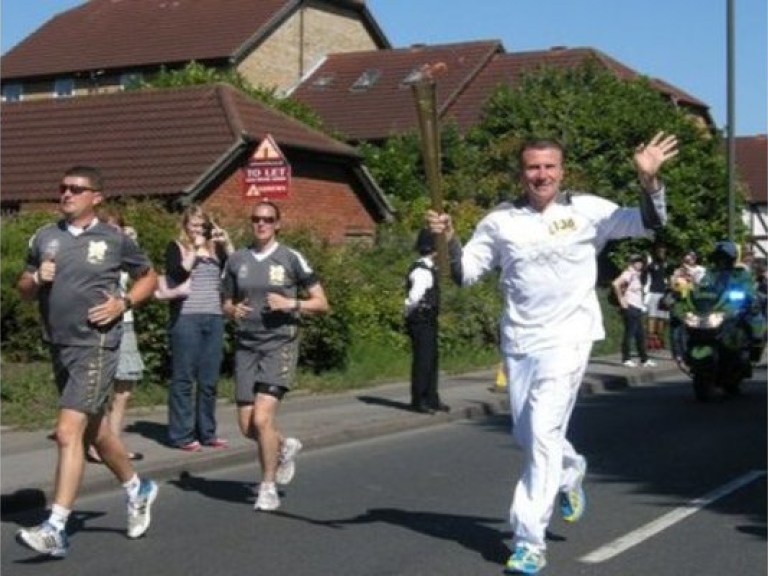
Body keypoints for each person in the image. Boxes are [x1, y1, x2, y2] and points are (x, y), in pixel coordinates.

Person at [427, 132, 679, 574]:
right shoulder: (500, 221)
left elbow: (651, 224)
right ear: (521, 172)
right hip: (521, 341)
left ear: (562, 171)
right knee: (529, 437)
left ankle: (529, 541)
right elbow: (463, 274)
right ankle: (569, 470)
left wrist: (649, 182)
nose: (541, 175)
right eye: (532, 167)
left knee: (541, 432)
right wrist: (447, 238)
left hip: (570, 337)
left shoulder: (588, 210)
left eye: (549, 167)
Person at [15, 166, 160, 558]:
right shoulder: (45, 236)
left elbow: (149, 277)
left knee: (67, 432)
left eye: (76, 189)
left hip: (97, 345)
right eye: (62, 188)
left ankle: (56, 527)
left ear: (96, 196)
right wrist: (36, 279)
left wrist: (124, 302)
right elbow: (24, 288)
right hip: (60, 345)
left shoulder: (113, 239)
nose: (66, 194)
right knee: (96, 434)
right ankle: (138, 488)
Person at [222, 200, 329, 511]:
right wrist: (232, 309)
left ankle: (267, 485)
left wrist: (290, 304)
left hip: (279, 343)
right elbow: (226, 301)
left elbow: (321, 302)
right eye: (256, 219)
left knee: (262, 417)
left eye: (268, 219)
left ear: (278, 224)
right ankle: (283, 446)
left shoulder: (290, 257)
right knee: (246, 427)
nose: (261, 224)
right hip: (246, 345)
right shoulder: (237, 260)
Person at [165, 204, 234, 451]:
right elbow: (176, 274)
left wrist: (226, 243)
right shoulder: (177, 247)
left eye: (202, 225)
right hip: (186, 317)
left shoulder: (216, 248)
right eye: (193, 224)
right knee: (184, 378)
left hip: (213, 317)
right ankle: (181, 435)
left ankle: (207, 432)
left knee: (209, 379)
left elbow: (235, 269)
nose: (198, 229)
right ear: (185, 226)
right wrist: (194, 249)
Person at [86, 208, 145, 463]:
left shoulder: (124, 252)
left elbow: (143, 275)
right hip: (101, 325)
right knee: (100, 387)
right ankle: (96, 443)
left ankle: (113, 443)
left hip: (125, 321)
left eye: (118, 228)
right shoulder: (93, 252)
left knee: (125, 388)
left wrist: (131, 242)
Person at [404, 228, 449, 414]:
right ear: (434, 249)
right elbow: (414, 298)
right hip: (421, 318)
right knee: (423, 360)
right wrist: (408, 312)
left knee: (431, 359)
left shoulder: (427, 268)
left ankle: (431, 398)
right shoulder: (422, 271)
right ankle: (419, 399)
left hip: (427, 319)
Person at [613, 254, 655, 368]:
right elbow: (616, 284)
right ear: (632, 263)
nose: (640, 264)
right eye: (637, 262)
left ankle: (644, 359)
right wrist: (622, 300)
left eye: (641, 262)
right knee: (629, 333)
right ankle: (626, 359)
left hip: (637, 307)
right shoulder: (628, 273)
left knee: (640, 335)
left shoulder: (637, 274)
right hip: (630, 307)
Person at [643, 243, 671, 350]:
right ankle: (650, 338)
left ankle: (659, 338)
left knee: (662, 318)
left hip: (664, 294)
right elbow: (644, 274)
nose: (661, 254)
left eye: (663, 252)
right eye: (659, 252)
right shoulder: (652, 265)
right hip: (654, 292)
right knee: (652, 316)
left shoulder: (668, 265)